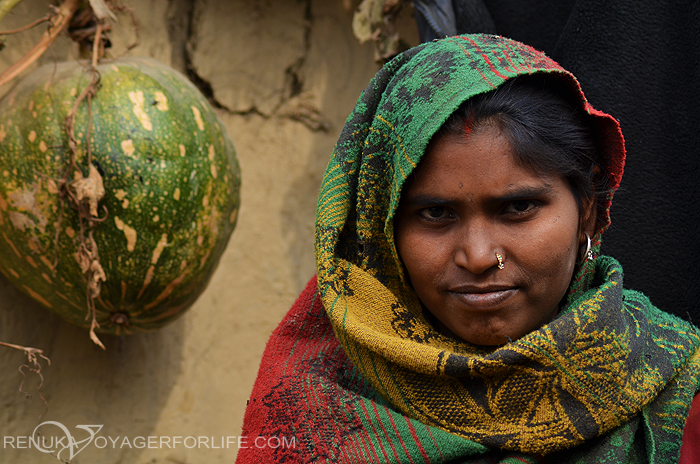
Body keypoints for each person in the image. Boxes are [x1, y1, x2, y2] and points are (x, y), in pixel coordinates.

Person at [236, 34, 700, 463]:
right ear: (381, 232)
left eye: (518, 207)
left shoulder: (679, 393)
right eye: (435, 214)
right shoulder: (308, 403)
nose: (479, 257)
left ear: (589, 212)